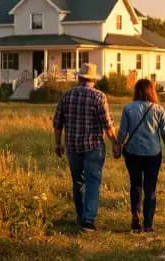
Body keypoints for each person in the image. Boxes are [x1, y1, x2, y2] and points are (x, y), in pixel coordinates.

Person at [52, 63, 118, 232]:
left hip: (72, 145)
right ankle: (88, 221)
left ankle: (81, 217)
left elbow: (58, 123)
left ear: (79, 78)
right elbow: (108, 126)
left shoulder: (66, 95)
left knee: (78, 181)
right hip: (93, 145)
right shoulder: (99, 97)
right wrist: (115, 143)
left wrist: (57, 143)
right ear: (93, 80)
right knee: (93, 181)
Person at [113, 79, 165, 232]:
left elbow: (122, 132)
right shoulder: (159, 109)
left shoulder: (128, 108)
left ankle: (135, 213)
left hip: (132, 152)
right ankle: (148, 224)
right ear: (151, 91)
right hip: (153, 153)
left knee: (135, 185)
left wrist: (118, 145)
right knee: (150, 188)